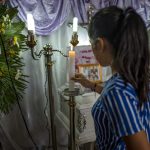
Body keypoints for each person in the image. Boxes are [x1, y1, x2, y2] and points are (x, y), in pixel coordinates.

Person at [72, 6, 150, 150]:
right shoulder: (131, 75)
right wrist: (91, 85)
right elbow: (121, 97)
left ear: (99, 44)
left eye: (91, 44)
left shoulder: (116, 91)